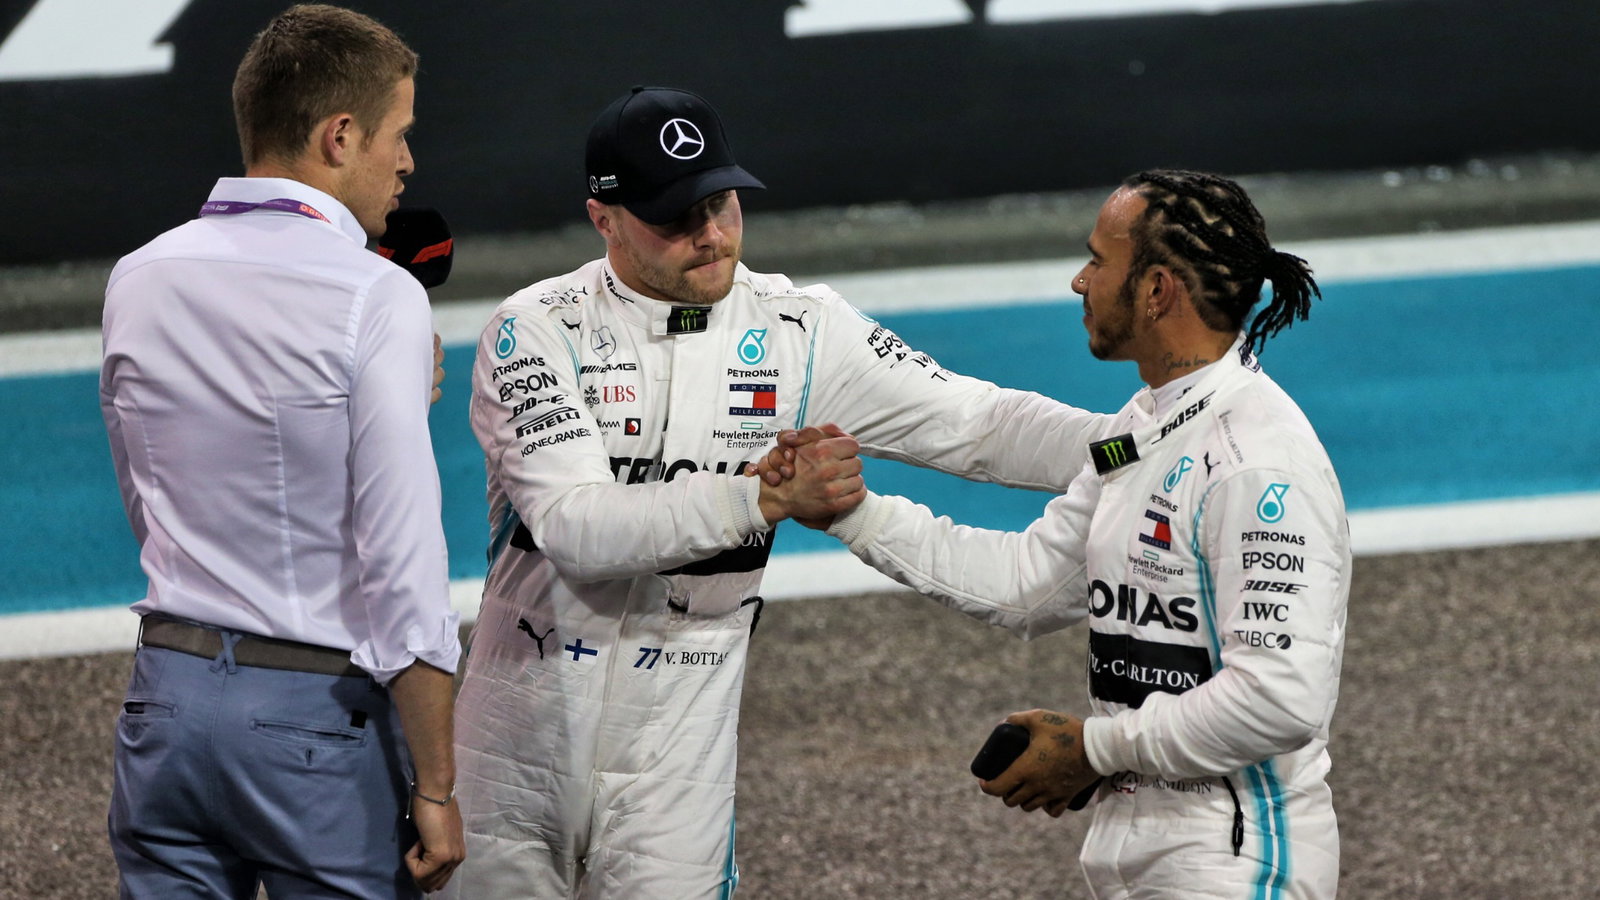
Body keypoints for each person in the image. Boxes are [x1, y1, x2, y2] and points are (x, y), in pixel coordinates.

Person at [444, 85, 1106, 898]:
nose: (711, 235)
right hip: (512, 746)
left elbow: (982, 424)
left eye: (721, 204)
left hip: (676, 763)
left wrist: (1153, 439)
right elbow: (577, 529)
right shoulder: (536, 328)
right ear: (603, 219)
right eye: (674, 216)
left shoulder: (800, 329)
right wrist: (762, 501)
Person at [778, 170, 1350, 898]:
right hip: (1148, 848)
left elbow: (1279, 697)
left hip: (1240, 860)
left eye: (1098, 260)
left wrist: (1095, 749)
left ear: (1156, 290)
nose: (1080, 281)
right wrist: (854, 515)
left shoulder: (1258, 466)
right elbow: (1028, 586)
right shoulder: (1140, 430)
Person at [100, 5, 464, 896]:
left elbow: (147, 497)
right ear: (340, 137)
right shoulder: (376, 298)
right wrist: (438, 785)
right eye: (399, 134)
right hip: (313, 731)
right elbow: (402, 565)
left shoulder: (138, 275)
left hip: (164, 709)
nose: (407, 162)